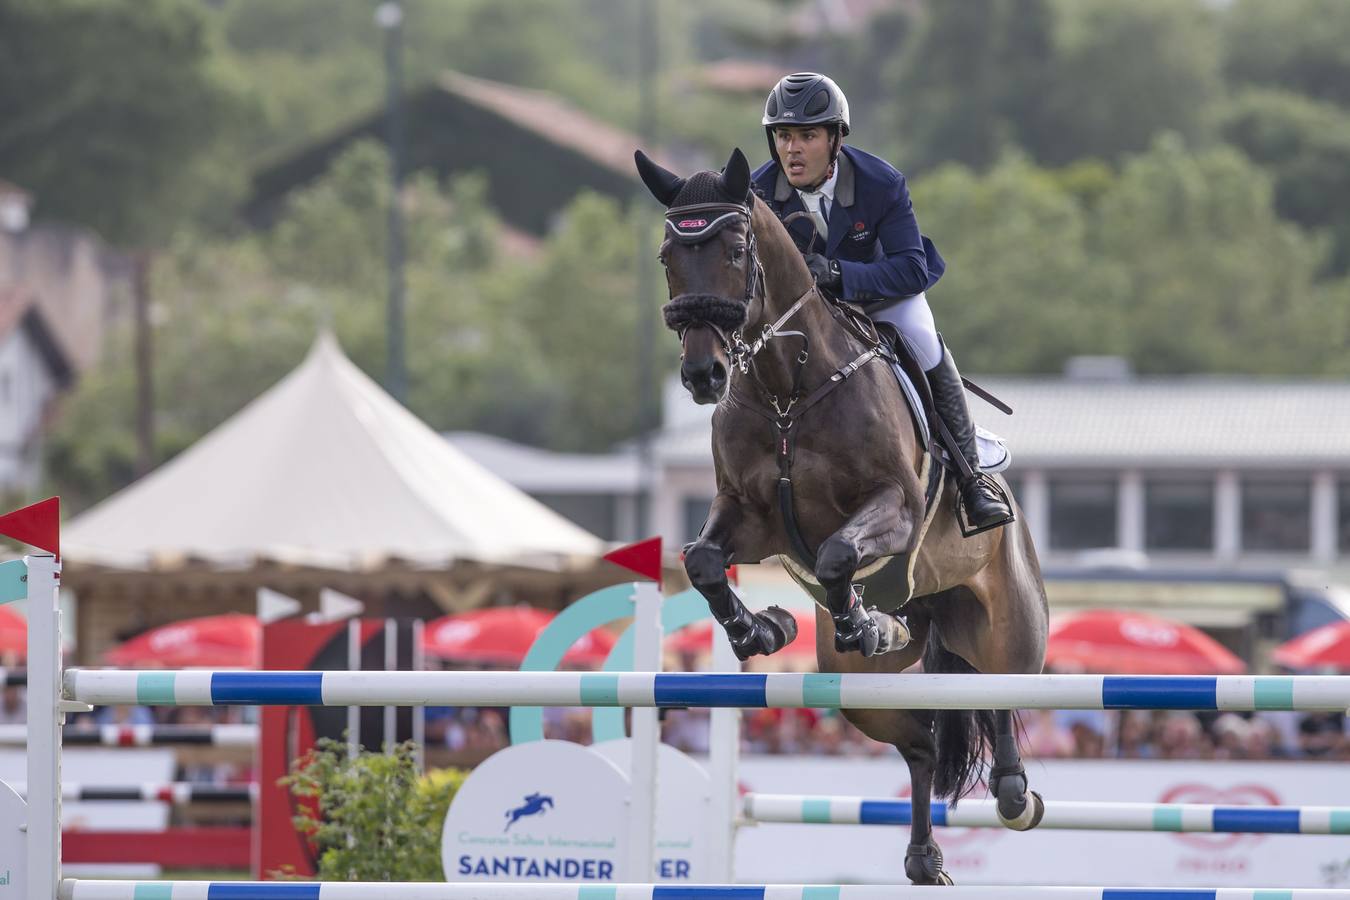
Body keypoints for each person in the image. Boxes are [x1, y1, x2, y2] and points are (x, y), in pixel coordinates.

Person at [751, 72, 1011, 530]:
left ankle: (972, 479)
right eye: (784, 135)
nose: (792, 149)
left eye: (807, 135)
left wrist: (839, 273)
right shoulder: (757, 193)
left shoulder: (880, 183)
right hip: (806, 315)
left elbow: (910, 267)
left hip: (879, 296)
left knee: (924, 340)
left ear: (836, 139)